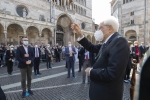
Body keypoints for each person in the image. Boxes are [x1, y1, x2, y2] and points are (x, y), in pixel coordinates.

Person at [71, 16, 129, 100]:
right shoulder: (108, 42)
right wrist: (80, 33)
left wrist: (91, 71)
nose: (98, 31)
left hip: (107, 94)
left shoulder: (119, 41)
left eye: (101, 27)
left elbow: (113, 73)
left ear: (110, 28)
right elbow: (91, 47)